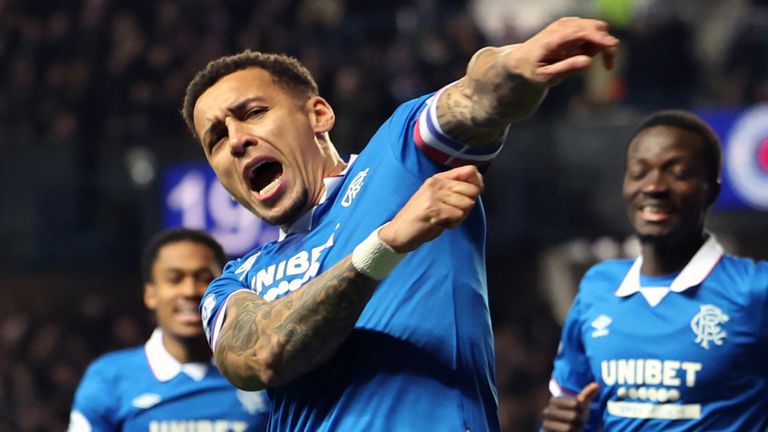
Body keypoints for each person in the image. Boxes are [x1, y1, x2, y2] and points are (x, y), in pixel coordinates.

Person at [181, 17, 618, 431]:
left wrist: (515, 65)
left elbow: (476, 96)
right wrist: (385, 245)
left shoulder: (402, 156)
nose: (236, 141)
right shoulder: (236, 281)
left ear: (318, 115)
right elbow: (261, 355)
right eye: (216, 138)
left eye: (253, 112)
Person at [542, 110, 768, 431]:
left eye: (678, 173)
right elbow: (571, 409)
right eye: (639, 172)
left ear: (711, 191)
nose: (654, 186)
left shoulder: (755, 290)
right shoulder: (597, 287)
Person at [68, 229, 270, 431]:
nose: (190, 291)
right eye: (174, 279)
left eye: (204, 278)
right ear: (150, 294)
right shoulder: (109, 377)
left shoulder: (261, 370)